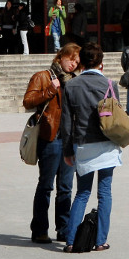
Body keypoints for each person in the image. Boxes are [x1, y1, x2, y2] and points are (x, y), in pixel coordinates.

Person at [61, 42, 122, 252]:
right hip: (106, 143)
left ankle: (70, 241)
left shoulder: (70, 86)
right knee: (104, 192)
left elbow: (67, 122)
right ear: (101, 63)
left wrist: (67, 150)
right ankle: (100, 241)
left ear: (82, 62)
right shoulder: (110, 85)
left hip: (83, 144)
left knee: (82, 193)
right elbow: (118, 117)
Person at [22, 42, 79, 244]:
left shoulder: (74, 81)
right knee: (46, 186)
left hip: (69, 140)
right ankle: (39, 229)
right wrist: (49, 92)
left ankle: (63, 229)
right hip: (51, 137)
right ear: (60, 57)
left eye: (76, 62)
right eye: (71, 59)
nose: (73, 64)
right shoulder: (43, 76)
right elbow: (28, 101)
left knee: (65, 187)